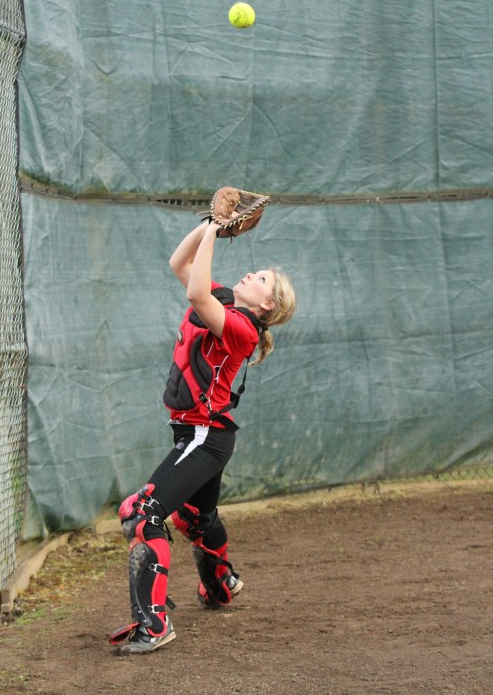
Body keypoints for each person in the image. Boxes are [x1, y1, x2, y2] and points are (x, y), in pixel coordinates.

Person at [109, 213, 296, 655]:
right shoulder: (227, 299)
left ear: (266, 305)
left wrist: (215, 231)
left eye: (262, 278)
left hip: (204, 437)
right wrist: (210, 224)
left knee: (140, 513)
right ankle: (221, 584)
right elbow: (180, 263)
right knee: (194, 517)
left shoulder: (244, 329)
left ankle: (153, 626)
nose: (251, 273)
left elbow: (194, 290)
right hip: (201, 436)